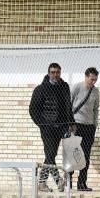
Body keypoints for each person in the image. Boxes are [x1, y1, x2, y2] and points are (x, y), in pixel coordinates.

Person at [29, 63, 75, 191]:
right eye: (53, 72)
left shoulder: (64, 87)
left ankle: (42, 183)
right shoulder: (40, 89)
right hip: (47, 127)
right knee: (50, 153)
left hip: (61, 126)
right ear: (49, 73)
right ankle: (58, 180)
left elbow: (68, 106)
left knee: (51, 154)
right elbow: (33, 110)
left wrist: (71, 122)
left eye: (57, 72)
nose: (55, 75)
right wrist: (42, 124)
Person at [69, 67, 100, 191]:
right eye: (91, 79)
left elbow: (96, 109)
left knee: (86, 156)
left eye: (95, 80)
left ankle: (82, 183)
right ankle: (68, 182)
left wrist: (95, 124)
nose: (93, 82)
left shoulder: (96, 91)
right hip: (76, 124)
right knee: (73, 154)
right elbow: (69, 104)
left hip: (89, 126)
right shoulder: (77, 87)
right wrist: (70, 123)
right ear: (86, 76)